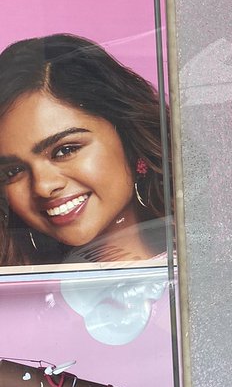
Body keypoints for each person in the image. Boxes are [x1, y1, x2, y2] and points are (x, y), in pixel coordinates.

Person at [0, 34, 170, 266]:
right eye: (13, 172)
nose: (43, 186)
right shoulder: (17, 292)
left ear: (127, 135)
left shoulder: (205, 274)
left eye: (65, 150)